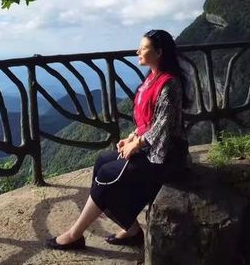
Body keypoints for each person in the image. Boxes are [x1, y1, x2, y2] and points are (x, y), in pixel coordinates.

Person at [46, 29, 187, 250]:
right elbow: (148, 120)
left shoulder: (169, 84)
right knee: (103, 160)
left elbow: (164, 127)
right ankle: (131, 229)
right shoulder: (152, 78)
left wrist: (137, 144)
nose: (137, 51)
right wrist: (131, 137)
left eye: (144, 48)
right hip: (150, 148)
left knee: (107, 175)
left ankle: (75, 234)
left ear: (159, 52)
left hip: (165, 156)